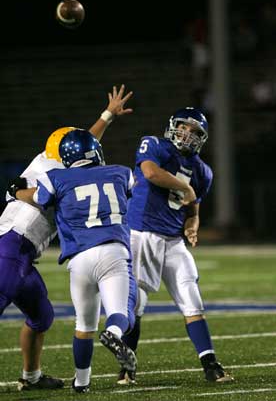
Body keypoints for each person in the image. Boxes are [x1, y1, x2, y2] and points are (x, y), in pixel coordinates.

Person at [0, 84, 133, 391]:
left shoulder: (58, 164)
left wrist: (107, 116)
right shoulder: (56, 169)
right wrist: (16, 191)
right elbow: (79, 151)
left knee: (42, 316)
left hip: (25, 255)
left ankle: (31, 378)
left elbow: (82, 144)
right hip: (10, 246)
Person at [13, 129, 156, 394]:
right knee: (121, 312)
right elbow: (132, 192)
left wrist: (16, 192)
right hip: (113, 250)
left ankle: (81, 382)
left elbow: (36, 197)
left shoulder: (56, 177)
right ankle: (113, 332)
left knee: (84, 325)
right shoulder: (121, 173)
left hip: (79, 258)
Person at [118, 107, 234, 384]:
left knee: (192, 298)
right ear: (174, 126)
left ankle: (210, 365)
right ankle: (127, 368)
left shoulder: (203, 171)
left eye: (195, 132)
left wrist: (192, 224)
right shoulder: (155, 145)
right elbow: (150, 173)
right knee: (137, 305)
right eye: (184, 127)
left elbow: (193, 210)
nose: (188, 134)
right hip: (142, 233)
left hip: (173, 240)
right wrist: (187, 189)